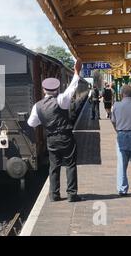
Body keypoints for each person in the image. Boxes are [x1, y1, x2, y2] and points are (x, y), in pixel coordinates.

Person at [28, 59, 83, 203]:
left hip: (51, 139)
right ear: (57, 89)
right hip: (66, 137)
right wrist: (77, 71)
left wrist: (44, 120)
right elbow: (72, 87)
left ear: (44, 90)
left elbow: (31, 123)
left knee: (54, 167)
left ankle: (54, 195)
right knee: (70, 165)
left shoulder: (37, 106)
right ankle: (72, 194)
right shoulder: (61, 99)